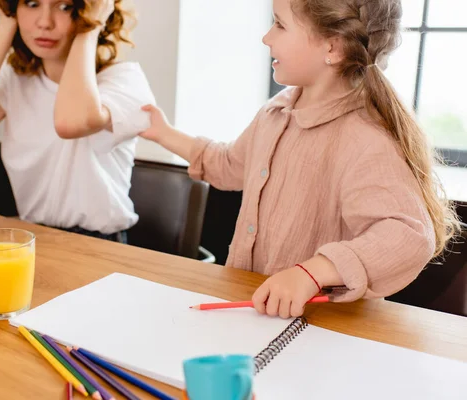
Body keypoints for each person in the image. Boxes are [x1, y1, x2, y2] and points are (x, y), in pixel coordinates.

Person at [140, 0, 460, 318]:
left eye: (279, 25)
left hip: (321, 330)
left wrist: (313, 272)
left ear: (332, 48)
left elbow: (408, 237)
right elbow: (231, 165)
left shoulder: (365, 139)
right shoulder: (277, 110)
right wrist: (162, 132)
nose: (266, 37)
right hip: (259, 310)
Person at [0, 0, 155, 243]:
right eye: (31, 4)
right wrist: (5, 27)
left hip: (101, 244)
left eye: (64, 7)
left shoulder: (123, 79)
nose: (44, 22)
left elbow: (70, 122)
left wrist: (90, 27)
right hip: (33, 237)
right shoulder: (16, 80)